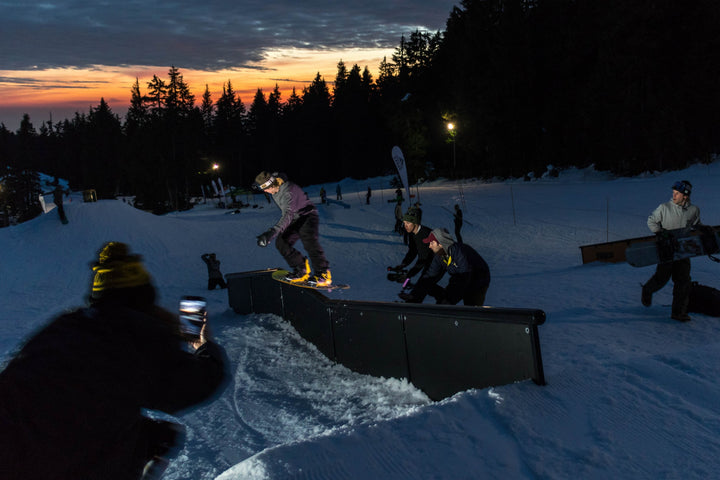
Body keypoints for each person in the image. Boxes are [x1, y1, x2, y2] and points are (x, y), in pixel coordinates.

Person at [0, 242, 228, 480]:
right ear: (143, 297)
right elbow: (194, 384)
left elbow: (70, 402)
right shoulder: (136, 334)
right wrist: (204, 346)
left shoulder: (63, 328)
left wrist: (142, 435)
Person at [255, 171, 332, 286]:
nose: (266, 192)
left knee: (309, 241)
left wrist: (272, 232)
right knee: (281, 242)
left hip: (307, 215)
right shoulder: (274, 183)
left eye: (266, 189)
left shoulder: (288, 192)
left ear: (273, 185)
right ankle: (301, 269)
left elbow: (288, 215)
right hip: (295, 218)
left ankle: (323, 273)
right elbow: (275, 174)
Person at [641, 180, 701, 321]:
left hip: (683, 250)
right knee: (662, 278)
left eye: (677, 193)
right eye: (673, 193)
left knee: (683, 281)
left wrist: (703, 228)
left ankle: (678, 312)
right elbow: (651, 221)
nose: (674, 195)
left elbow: (695, 225)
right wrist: (660, 232)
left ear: (685, 195)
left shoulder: (693, 210)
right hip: (666, 249)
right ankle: (647, 290)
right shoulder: (664, 208)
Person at [399, 228, 490, 306]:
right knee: (442, 298)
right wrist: (415, 295)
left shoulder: (459, 252)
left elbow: (464, 278)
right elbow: (430, 276)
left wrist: (449, 300)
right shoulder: (439, 256)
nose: (430, 246)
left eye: (432, 243)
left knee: (470, 302)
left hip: (479, 278)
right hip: (460, 277)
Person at [388, 206, 434, 282]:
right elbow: (413, 251)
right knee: (422, 285)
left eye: (408, 223)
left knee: (424, 284)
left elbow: (423, 259)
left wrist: (409, 274)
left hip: (442, 261)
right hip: (430, 261)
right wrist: (403, 264)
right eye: (404, 223)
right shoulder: (412, 234)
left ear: (415, 223)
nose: (405, 225)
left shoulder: (424, 235)